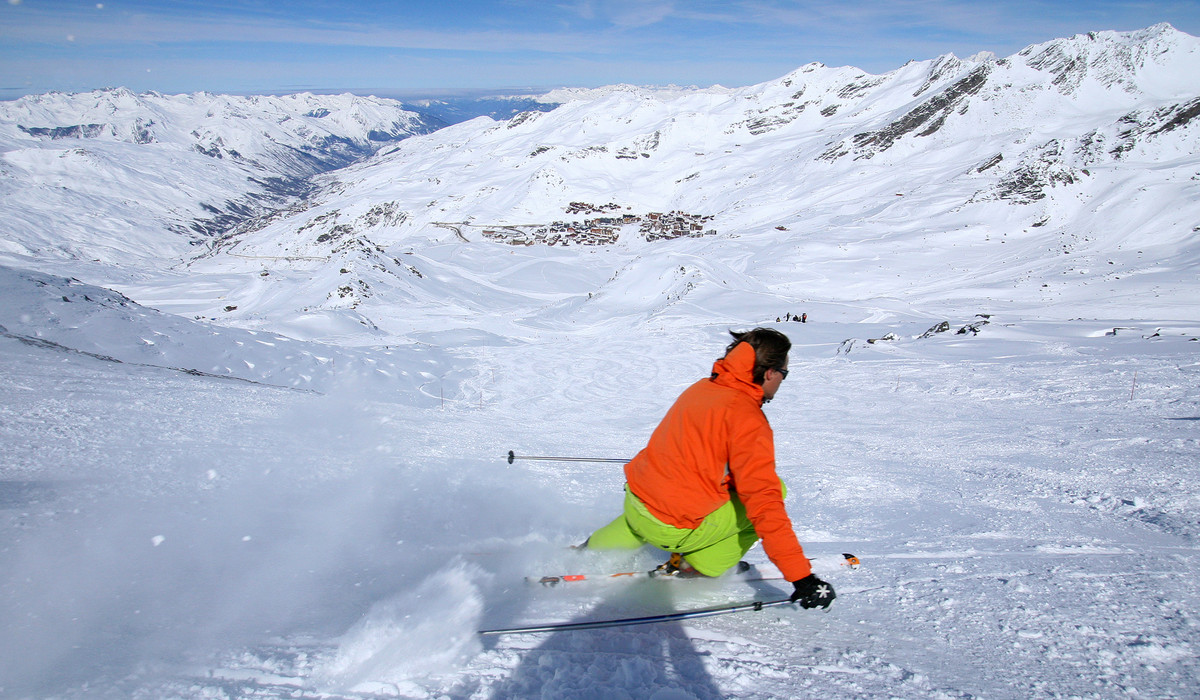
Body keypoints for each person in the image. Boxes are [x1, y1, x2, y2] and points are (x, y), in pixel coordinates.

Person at [585, 328, 835, 609]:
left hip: (636, 503)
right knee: (775, 490)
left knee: (661, 498)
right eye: (784, 374)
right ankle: (697, 565)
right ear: (769, 373)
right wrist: (802, 578)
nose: (782, 382)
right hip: (671, 527)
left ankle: (592, 550)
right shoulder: (747, 419)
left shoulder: (702, 388)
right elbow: (765, 505)